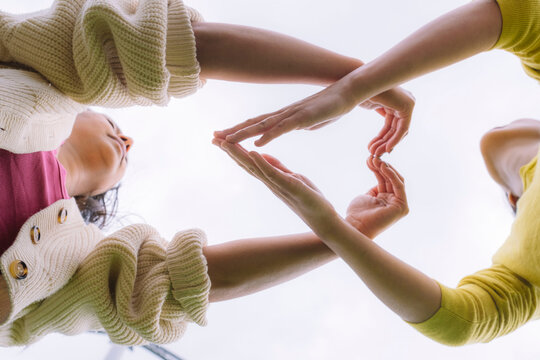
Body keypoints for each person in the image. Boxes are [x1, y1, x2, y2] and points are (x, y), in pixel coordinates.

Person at [0, 0, 417, 347]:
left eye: (125, 152)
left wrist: (344, 237)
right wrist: (357, 79)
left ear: (96, 198)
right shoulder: (39, 74)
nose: (126, 142)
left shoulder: (69, 257)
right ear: (86, 104)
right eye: (114, 126)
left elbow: (181, 284)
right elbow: (168, 47)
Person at [215, 0, 540, 346]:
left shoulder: (526, 275)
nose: (497, 137)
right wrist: (336, 231)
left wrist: (354, 86)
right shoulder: (526, 276)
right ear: (513, 197)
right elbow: (462, 321)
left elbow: (520, 15)